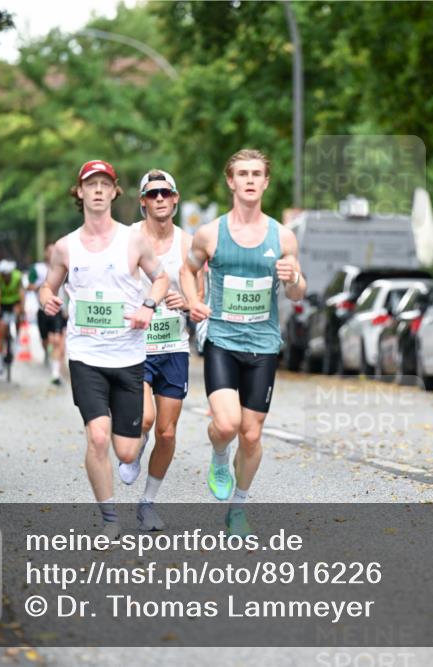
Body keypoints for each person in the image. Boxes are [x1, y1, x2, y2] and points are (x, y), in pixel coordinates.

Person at [38, 160, 168, 538]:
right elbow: (47, 286)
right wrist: (47, 299)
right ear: (79, 192)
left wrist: (148, 306)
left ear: (114, 192)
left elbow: (161, 279)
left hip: (128, 356)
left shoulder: (133, 240)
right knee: (97, 436)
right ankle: (110, 519)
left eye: (104, 184)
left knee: (126, 452)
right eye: (90, 184)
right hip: (86, 356)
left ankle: (134, 448)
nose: (97, 190)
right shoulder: (65, 247)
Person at [181, 149, 306, 537]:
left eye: (256, 174)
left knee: (251, 435)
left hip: (263, 345)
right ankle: (220, 456)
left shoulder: (283, 236)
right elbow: (187, 268)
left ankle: (238, 509)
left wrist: (292, 278)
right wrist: (194, 301)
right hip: (222, 339)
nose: (249, 180)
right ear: (231, 181)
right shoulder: (210, 234)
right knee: (227, 424)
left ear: (266, 182)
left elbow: (298, 292)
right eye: (242, 174)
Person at [117, 169, 196, 531]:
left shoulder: (188, 243)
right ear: (143, 202)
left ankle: (147, 503)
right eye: (153, 194)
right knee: (145, 418)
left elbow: (200, 296)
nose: (160, 198)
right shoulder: (128, 238)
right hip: (136, 345)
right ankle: (135, 443)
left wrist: (188, 302)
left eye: (165, 192)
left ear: (175, 199)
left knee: (167, 432)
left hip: (174, 346)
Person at [30, 244, 69, 385]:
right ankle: (47, 353)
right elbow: (29, 286)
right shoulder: (37, 268)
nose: (53, 254)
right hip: (43, 310)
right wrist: (44, 286)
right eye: (50, 251)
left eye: (55, 251)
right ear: (45, 253)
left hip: (58, 310)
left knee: (57, 340)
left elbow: (70, 288)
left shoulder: (65, 266)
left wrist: (67, 309)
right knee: (46, 341)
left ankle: (55, 374)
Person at [0, 259, 25, 375]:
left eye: (6, 275)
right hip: (3, 304)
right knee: (2, 330)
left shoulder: (17, 277)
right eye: (2, 275)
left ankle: (17, 338)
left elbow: (22, 293)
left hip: (15, 302)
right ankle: (0, 360)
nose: (4, 277)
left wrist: (22, 308)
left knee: (18, 314)